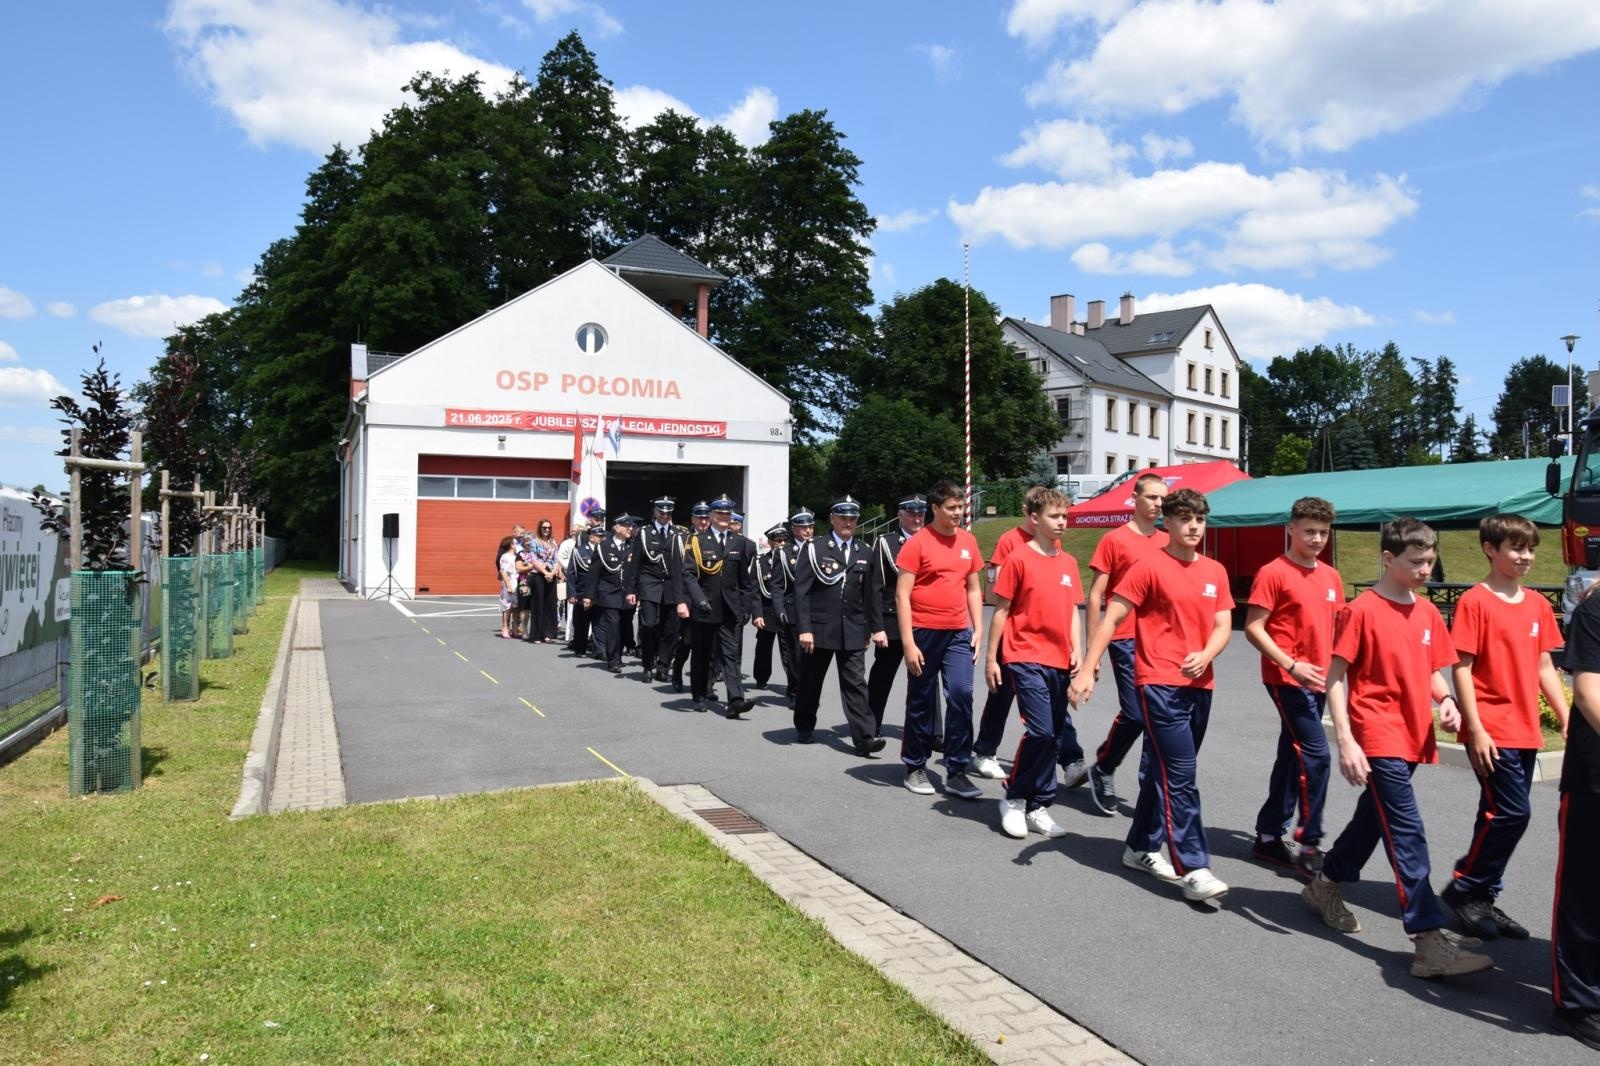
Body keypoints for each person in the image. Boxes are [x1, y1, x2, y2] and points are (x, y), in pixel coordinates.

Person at [1300, 517, 1494, 978]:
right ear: (1388, 558)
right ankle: (1427, 940)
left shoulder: (1426, 612)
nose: (1426, 569)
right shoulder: (1360, 610)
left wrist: (1446, 700)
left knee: (1374, 818)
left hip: (1413, 734)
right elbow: (1335, 678)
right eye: (1417, 562)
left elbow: (1430, 668)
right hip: (1377, 732)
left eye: (1430, 560)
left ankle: (1324, 884)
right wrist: (1346, 739)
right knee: (1406, 830)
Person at [1072, 487, 1231, 903]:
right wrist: (1088, 668)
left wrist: (1207, 653)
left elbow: (1222, 625)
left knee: (1166, 771)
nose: (1193, 526)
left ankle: (1140, 845)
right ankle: (1194, 867)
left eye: (1199, 519)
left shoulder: (1215, 571)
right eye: (1184, 519)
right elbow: (1112, 618)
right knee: (1182, 775)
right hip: (1158, 682)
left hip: (1201, 684)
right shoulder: (1148, 565)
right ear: (1170, 523)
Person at [1442, 514, 1568, 940]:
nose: (1526, 556)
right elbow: (1462, 667)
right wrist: (1475, 727)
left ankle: (1483, 897)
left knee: (1494, 814)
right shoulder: (1474, 601)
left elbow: (1544, 665)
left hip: (1525, 727)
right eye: (1516, 548)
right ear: (1490, 550)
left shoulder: (1536, 604)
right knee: (1513, 813)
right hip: (1492, 728)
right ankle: (1465, 887)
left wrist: (1568, 719)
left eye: (1530, 548)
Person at [1243, 496, 1343, 878]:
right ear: (1291, 529)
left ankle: (1268, 836)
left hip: (1317, 679)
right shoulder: (1274, 572)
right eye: (1309, 531)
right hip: (1286, 678)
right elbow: (1254, 627)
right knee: (1316, 757)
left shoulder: (1330, 576)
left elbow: (1336, 629)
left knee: (1292, 753)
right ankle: (1309, 841)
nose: (1316, 538)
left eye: (1322, 532)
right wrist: (1290, 663)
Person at [985, 487, 1083, 839]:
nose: (1061, 523)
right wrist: (991, 660)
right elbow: (1001, 611)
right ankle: (1013, 798)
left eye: (1065, 517)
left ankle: (1038, 804)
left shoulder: (1069, 562)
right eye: (1055, 516)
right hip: (1023, 655)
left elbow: (1073, 609)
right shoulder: (1018, 558)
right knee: (1040, 730)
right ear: (1035, 518)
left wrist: (1078, 650)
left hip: (1058, 658)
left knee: (1054, 735)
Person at [1083, 472, 1170, 816]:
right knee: (1136, 714)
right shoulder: (1114, 540)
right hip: (1124, 637)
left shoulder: (1168, 541)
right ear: (1134, 499)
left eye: (1162, 498)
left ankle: (1151, 790)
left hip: (1161, 642)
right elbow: (1095, 597)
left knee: (1157, 717)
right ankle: (1103, 767)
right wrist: (1093, 652)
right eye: (1151, 497)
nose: (1157, 504)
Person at [896, 480, 985, 801]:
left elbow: (974, 588)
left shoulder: (968, 543)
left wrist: (978, 628)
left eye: (961, 507)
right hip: (924, 632)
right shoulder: (918, 543)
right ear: (935, 509)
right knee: (921, 700)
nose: (958, 513)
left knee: (962, 695)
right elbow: (902, 595)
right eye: (951, 508)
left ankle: (957, 768)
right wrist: (908, 643)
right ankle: (915, 766)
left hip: (959, 633)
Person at [793, 496, 889, 756]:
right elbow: (801, 592)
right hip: (819, 628)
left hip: (854, 629)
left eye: (852, 518)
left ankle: (864, 737)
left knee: (856, 684)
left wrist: (874, 627)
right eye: (843, 518)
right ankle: (804, 724)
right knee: (811, 683)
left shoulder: (864, 551)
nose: (848, 522)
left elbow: (871, 595)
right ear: (832, 519)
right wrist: (804, 628)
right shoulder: (815, 549)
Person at [1552, 583, 1600, 1050]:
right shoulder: (1597, 609)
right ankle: (1578, 1002)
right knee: (1586, 892)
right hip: (1594, 775)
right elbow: (1587, 692)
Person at [680, 494, 755, 717]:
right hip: (706, 607)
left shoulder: (739, 542)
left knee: (730, 656)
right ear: (711, 515)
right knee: (702, 654)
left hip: (730, 609)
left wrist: (745, 608)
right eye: (720, 513)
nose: (724, 517)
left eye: (727, 514)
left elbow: (745, 581)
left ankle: (735, 700)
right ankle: (699, 695)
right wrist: (698, 599)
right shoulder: (697, 541)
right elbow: (689, 574)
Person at [867, 494, 928, 738]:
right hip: (891, 620)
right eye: (911, 513)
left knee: (926, 678)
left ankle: (932, 732)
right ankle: (870, 725)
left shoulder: (933, 540)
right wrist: (876, 626)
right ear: (900, 515)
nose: (916, 518)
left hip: (924, 620)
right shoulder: (886, 543)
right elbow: (875, 587)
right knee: (882, 675)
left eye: (920, 513)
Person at [630, 497, 680, 683]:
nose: (665, 516)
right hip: (649, 584)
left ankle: (663, 666)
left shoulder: (678, 533)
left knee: (670, 629)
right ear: (655, 511)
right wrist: (631, 590)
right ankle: (647, 663)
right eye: (662, 512)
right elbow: (635, 564)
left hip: (670, 586)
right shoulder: (644, 533)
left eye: (668, 513)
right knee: (649, 625)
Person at [771, 508, 815, 710]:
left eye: (810, 526)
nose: (807, 530)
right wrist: (779, 609)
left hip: (816, 611)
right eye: (803, 527)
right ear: (794, 529)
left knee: (813, 656)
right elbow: (778, 585)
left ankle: (807, 691)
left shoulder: (819, 548)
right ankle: (796, 690)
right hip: (793, 610)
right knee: (796, 655)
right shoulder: (784, 553)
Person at [669, 503, 713, 695]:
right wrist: (680, 601)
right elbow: (678, 574)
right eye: (699, 518)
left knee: (711, 645)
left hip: (709, 598)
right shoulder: (682, 539)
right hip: (688, 597)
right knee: (687, 640)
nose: (703, 522)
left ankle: (707, 685)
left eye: (706, 518)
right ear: (693, 519)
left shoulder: (714, 539)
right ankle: (677, 669)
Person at [586, 513, 637, 674]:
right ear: (617, 527)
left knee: (624, 626)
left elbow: (637, 572)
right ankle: (612, 659)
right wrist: (588, 595)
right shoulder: (604, 546)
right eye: (626, 526)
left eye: (631, 526)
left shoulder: (633, 546)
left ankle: (618, 656)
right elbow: (594, 572)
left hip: (627, 593)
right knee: (613, 624)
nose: (630, 529)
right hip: (608, 592)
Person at [752, 524, 795, 692]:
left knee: (789, 650)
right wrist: (757, 614)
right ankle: (761, 678)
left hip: (787, 610)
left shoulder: (794, 558)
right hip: (768, 611)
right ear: (770, 542)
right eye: (778, 540)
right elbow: (755, 590)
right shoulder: (760, 562)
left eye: (785, 540)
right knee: (764, 647)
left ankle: (793, 683)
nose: (782, 543)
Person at [566, 517, 605, 657]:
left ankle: (599, 650)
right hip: (582, 592)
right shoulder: (579, 551)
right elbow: (571, 573)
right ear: (591, 537)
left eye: (602, 536)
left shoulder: (604, 551)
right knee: (582, 623)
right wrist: (571, 593)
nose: (601, 538)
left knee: (599, 624)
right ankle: (580, 648)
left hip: (600, 593)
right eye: (599, 536)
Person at [525, 519, 561, 644]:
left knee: (550, 605)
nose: (547, 530)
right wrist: (545, 573)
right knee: (538, 605)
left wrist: (552, 573)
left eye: (549, 528)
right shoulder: (534, 542)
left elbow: (557, 560)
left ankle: (548, 634)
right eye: (544, 528)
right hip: (539, 575)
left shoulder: (553, 543)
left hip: (551, 574)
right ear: (540, 528)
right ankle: (536, 635)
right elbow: (534, 561)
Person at [496, 535, 518, 639]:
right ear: (510, 544)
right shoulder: (505, 557)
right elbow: (503, 571)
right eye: (514, 543)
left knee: (516, 607)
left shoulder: (517, 556)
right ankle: (505, 627)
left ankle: (515, 629)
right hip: (509, 582)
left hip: (517, 582)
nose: (516, 545)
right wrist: (508, 585)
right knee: (507, 607)